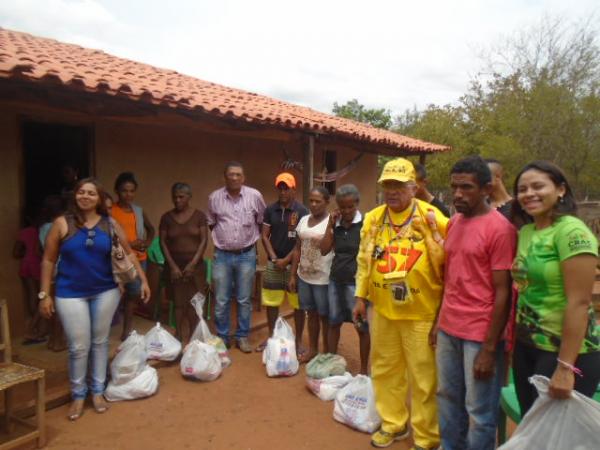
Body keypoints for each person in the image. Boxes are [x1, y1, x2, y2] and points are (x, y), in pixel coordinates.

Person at [353, 158, 448, 450]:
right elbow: (364, 260)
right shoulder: (373, 218)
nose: (392, 191)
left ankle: (426, 436)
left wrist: (443, 313)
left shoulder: (434, 218)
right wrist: (360, 296)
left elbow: (451, 265)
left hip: (421, 311)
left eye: (398, 185)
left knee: (424, 377)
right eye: (387, 186)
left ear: (414, 186)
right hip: (382, 310)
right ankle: (393, 424)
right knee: (385, 369)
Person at [38, 178, 150, 420]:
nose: (85, 196)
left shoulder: (110, 224)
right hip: (69, 294)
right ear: (75, 196)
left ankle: (97, 391)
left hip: (105, 291)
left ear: (99, 198)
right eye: (81, 192)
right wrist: (44, 294)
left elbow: (130, 254)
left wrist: (143, 280)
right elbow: (48, 260)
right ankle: (79, 395)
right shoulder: (61, 224)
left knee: (99, 342)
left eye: (91, 193)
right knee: (78, 347)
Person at [434, 156, 516, 450]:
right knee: (446, 397)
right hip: (449, 327)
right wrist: (437, 323)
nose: (457, 194)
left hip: (480, 334)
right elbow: (451, 279)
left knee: (479, 411)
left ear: (486, 189)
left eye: (466, 187)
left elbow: (503, 292)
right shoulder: (454, 222)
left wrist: (490, 348)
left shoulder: (500, 229)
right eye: (454, 187)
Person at [511, 161, 600, 415]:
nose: (529, 194)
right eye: (523, 189)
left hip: (565, 352)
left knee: (559, 435)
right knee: (532, 424)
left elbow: (580, 302)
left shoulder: (572, 232)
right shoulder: (527, 231)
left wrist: (565, 367)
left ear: (560, 190)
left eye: (538, 186)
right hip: (528, 345)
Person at [207, 161, 266, 352]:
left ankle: (242, 336)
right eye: (230, 174)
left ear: (244, 177)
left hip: (246, 255)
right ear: (224, 177)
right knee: (222, 298)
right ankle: (223, 337)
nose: (234, 177)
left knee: (244, 298)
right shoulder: (214, 198)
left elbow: (261, 221)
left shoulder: (254, 196)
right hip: (222, 255)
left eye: (238, 174)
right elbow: (211, 223)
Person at [320, 184, 370, 374]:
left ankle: (364, 370)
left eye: (350, 206)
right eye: (342, 207)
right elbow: (324, 249)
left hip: (356, 285)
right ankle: (333, 364)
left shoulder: (365, 224)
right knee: (334, 323)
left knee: (361, 327)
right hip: (335, 280)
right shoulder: (337, 224)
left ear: (357, 204)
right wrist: (330, 225)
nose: (347, 211)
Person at [257, 172, 309, 355]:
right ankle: (271, 336)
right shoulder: (270, 210)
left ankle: (299, 340)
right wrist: (273, 258)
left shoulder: (302, 211)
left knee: (298, 304)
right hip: (274, 262)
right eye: (280, 188)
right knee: (271, 302)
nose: (283, 192)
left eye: (286, 188)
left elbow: (301, 241)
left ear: (294, 189)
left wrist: (286, 260)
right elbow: (264, 235)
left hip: (295, 264)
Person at [159, 182, 208, 343]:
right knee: (179, 304)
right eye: (175, 197)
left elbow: (203, 241)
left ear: (189, 197)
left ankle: (194, 338)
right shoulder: (166, 218)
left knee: (195, 304)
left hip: (196, 267)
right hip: (175, 268)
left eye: (181, 197)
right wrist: (172, 266)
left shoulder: (199, 216)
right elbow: (163, 242)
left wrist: (193, 264)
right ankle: (179, 337)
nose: (177, 200)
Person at [289, 186, 333, 363]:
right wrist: (293, 274)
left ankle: (326, 352)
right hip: (304, 276)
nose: (313, 204)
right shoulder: (303, 220)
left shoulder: (331, 221)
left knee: (325, 316)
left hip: (323, 277)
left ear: (327, 202)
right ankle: (313, 350)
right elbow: (297, 249)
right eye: (311, 201)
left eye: (318, 201)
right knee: (311, 314)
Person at [111, 172, 155, 340]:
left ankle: (127, 330)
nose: (128, 195)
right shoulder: (112, 211)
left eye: (131, 191)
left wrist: (147, 243)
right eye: (124, 191)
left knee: (133, 294)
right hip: (117, 260)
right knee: (115, 294)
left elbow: (151, 229)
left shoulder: (138, 210)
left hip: (138, 259)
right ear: (117, 191)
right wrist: (130, 245)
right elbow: (110, 236)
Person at [13, 215, 46, 344]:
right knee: (43, 296)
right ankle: (34, 328)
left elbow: (16, 252)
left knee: (32, 295)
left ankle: (35, 328)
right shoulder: (43, 231)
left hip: (26, 265)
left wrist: (27, 254)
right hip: (38, 265)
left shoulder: (25, 232)